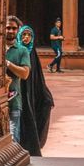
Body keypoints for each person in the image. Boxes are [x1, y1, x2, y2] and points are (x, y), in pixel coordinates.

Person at [17, 25, 54, 156]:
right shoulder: (17, 51)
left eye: (29, 35)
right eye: (23, 35)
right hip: (18, 92)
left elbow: (38, 76)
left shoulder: (32, 52)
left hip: (31, 93)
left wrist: (45, 94)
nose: (26, 37)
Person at [5, 15, 31, 144]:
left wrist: (8, 64)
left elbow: (25, 74)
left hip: (13, 100)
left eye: (14, 28)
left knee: (13, 139)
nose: (10, 31)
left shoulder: (22, 50)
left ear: (18, 30)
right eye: (8, 27)